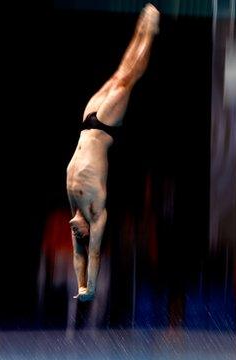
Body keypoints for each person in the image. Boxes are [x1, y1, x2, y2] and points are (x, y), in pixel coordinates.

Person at [66, 3, 159, 302]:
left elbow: (77, 256)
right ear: (89, 229)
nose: (73, 228)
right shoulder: (97, 211)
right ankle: (150, 34)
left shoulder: (74, 204)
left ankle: (141, 27)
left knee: (120, 71)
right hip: (105, 127)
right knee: (127, 79)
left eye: (74, 231)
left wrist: (78, 282)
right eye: (79, 233)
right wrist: (88, 287)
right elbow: (91, 255)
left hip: (86, 123)